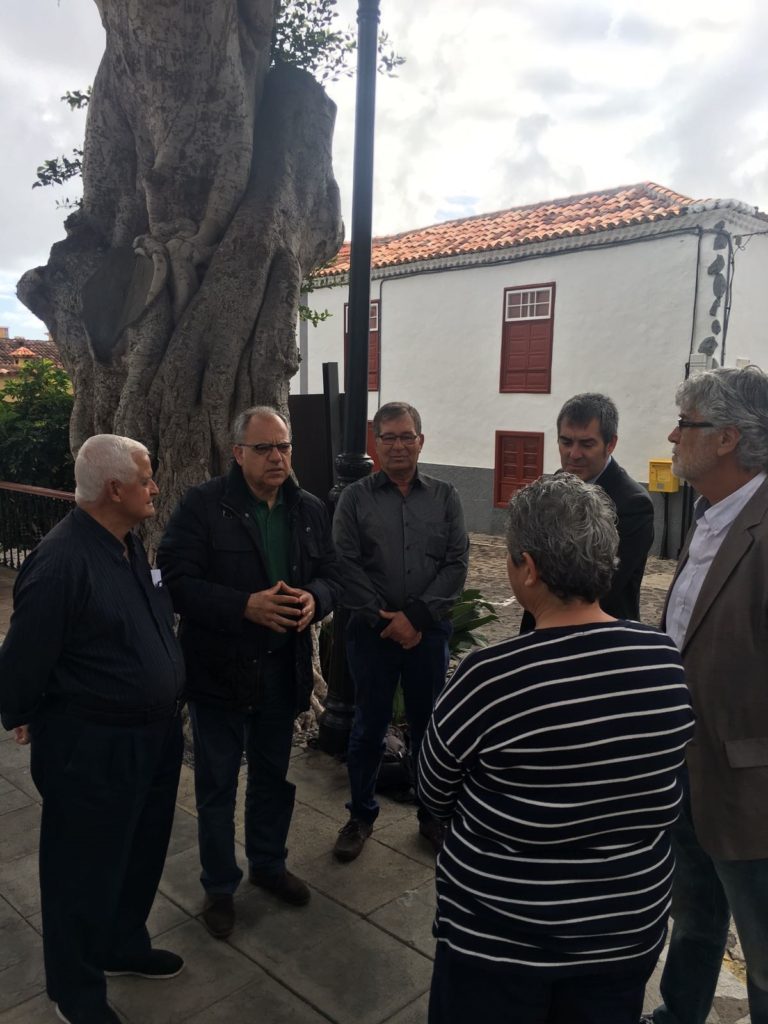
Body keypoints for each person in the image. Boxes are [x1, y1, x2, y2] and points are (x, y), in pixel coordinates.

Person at [419, 473, 694, 1024]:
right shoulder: (663, 660)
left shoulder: (489, 677)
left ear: (528, 569)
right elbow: (664, 785)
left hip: (499, 938)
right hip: (622, 934)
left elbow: (433, 788)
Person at [0, 434, 186, 1024]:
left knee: (138, 851)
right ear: (114, 489)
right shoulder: (59, 563)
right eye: (146, 477)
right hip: (93, 748)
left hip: (151, 740)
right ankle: (75, 989)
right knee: (81, 868)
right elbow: (23, 658)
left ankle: (121, 944)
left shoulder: (127, 544)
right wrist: (26, 712)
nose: (154, 486)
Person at [157, 406, 340, 939]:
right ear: (237, 454)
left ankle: (268, 864)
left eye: (284, 447)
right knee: (216, 786)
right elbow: (175, 579)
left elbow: (333, 575)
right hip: (218, 674)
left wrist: (315, 599)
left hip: (282, 672)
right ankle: (218, 886)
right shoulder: (203, 506)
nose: (278, 457)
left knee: (272, 779)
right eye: (264, 448)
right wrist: (243, 606)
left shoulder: (306, 509)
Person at [643, 366, 768, 1024]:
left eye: (685, 425)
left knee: (764, 949)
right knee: (693, 920)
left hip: (751, 790)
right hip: (685, 770)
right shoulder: (710, 514)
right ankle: (677, 1016)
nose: (671, 435)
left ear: (725, 439)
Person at [331, 401, 469, 862]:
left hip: (427, 636)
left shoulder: (446, 497)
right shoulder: (355, 499)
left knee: (430, 728)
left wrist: (417, 619)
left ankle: (432, 815)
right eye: (387, 437)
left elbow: (455, 563)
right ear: (375, 444)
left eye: (406, 436)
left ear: (421, 442)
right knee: (368, 727)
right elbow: (344, 564)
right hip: (372, 636)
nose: (397, 445)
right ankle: (360, 815)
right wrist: (384, 620)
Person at [522, 393, 654, 631]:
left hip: (601, 637)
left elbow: (606, 587)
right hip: (542, 628)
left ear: (610, 443)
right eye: (566, 442)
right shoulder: (551, 486)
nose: (573, 454)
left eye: (586, 444)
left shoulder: (632, 504)